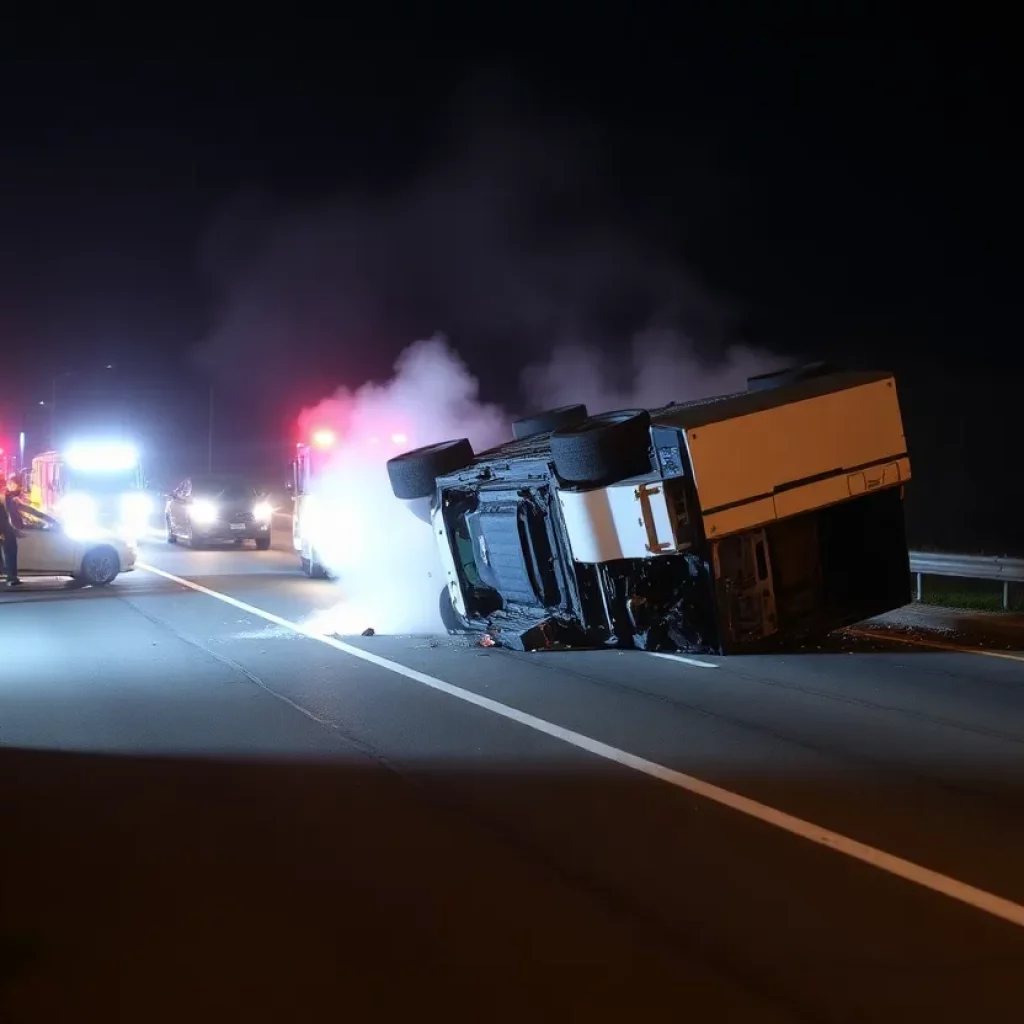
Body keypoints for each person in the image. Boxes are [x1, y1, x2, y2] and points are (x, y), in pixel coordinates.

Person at [0, 474, 24, 587]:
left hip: (4, 529)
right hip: (6, 530)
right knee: (10, 551)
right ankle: (11, 577)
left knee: (7, 552)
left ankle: (9, 575)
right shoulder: (6, 498)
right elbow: (11, 515)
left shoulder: (7, 497)